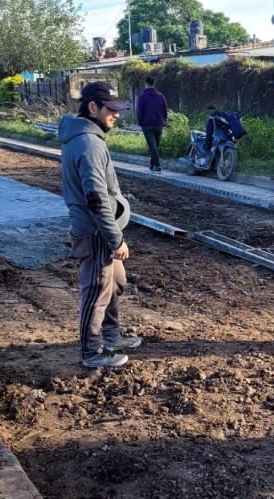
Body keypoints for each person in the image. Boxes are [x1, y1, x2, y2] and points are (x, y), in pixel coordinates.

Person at [59, 81, 142, 368]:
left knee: (115, 282)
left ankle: (111, 335)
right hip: (96, 233)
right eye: (111, 109)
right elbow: (95, 198)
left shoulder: (86, 139)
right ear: (92, 107)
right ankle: (92, 352)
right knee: (96, 290)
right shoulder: (88, 143)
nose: (116, 115)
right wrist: (115, 238)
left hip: (98, 231)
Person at [135, 76, 167, 173]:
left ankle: (157, 166)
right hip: (159, 125)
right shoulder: (161, 96)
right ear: (154, 84)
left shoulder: (142, 97)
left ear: (146, 84)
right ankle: (152, 164)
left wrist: (141, 122)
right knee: (155, 146)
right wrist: (163, 121)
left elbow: (139, 112)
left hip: (147, 125)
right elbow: (165, 111)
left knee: (152, 146)